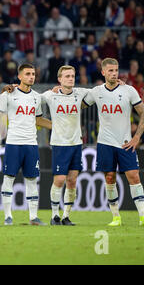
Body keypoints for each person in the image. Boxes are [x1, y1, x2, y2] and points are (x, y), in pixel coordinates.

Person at [82, 58, 144, 227]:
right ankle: (116, 217)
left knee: (134, 176)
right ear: (103, 72)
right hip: (105, 142)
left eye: (116, 70)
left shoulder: (129, 90)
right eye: (110, 70)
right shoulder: (96, 91)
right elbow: (78, 103)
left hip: (125, 142)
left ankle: (143, 217)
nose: (114, 73)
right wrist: (60, 91)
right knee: (109, 178)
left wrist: (137, 137)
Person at [0, 63, 52, 226]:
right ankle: (8, 216)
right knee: (8, 179)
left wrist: (59, 126)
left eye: (33, 74)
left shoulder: (36, 97)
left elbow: (38, 120)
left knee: (32, 180)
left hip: (31, 144)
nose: (31, 77)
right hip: (13, 143)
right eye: (27, 74)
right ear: (19, 76)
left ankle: (33, 217)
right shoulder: (8, 94)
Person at [41, 65, 90, 226]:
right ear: (60, 79)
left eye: (72, 76)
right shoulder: (50, 95)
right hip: (60, 144)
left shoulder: (80, 93)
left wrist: (121, 85)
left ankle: (66, 216)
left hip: (76, 143)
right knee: (60, 179)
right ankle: (54, 215)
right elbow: (32, 98)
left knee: (72, 180)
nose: (70, 78)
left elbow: (101, 92)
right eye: (67, 76)